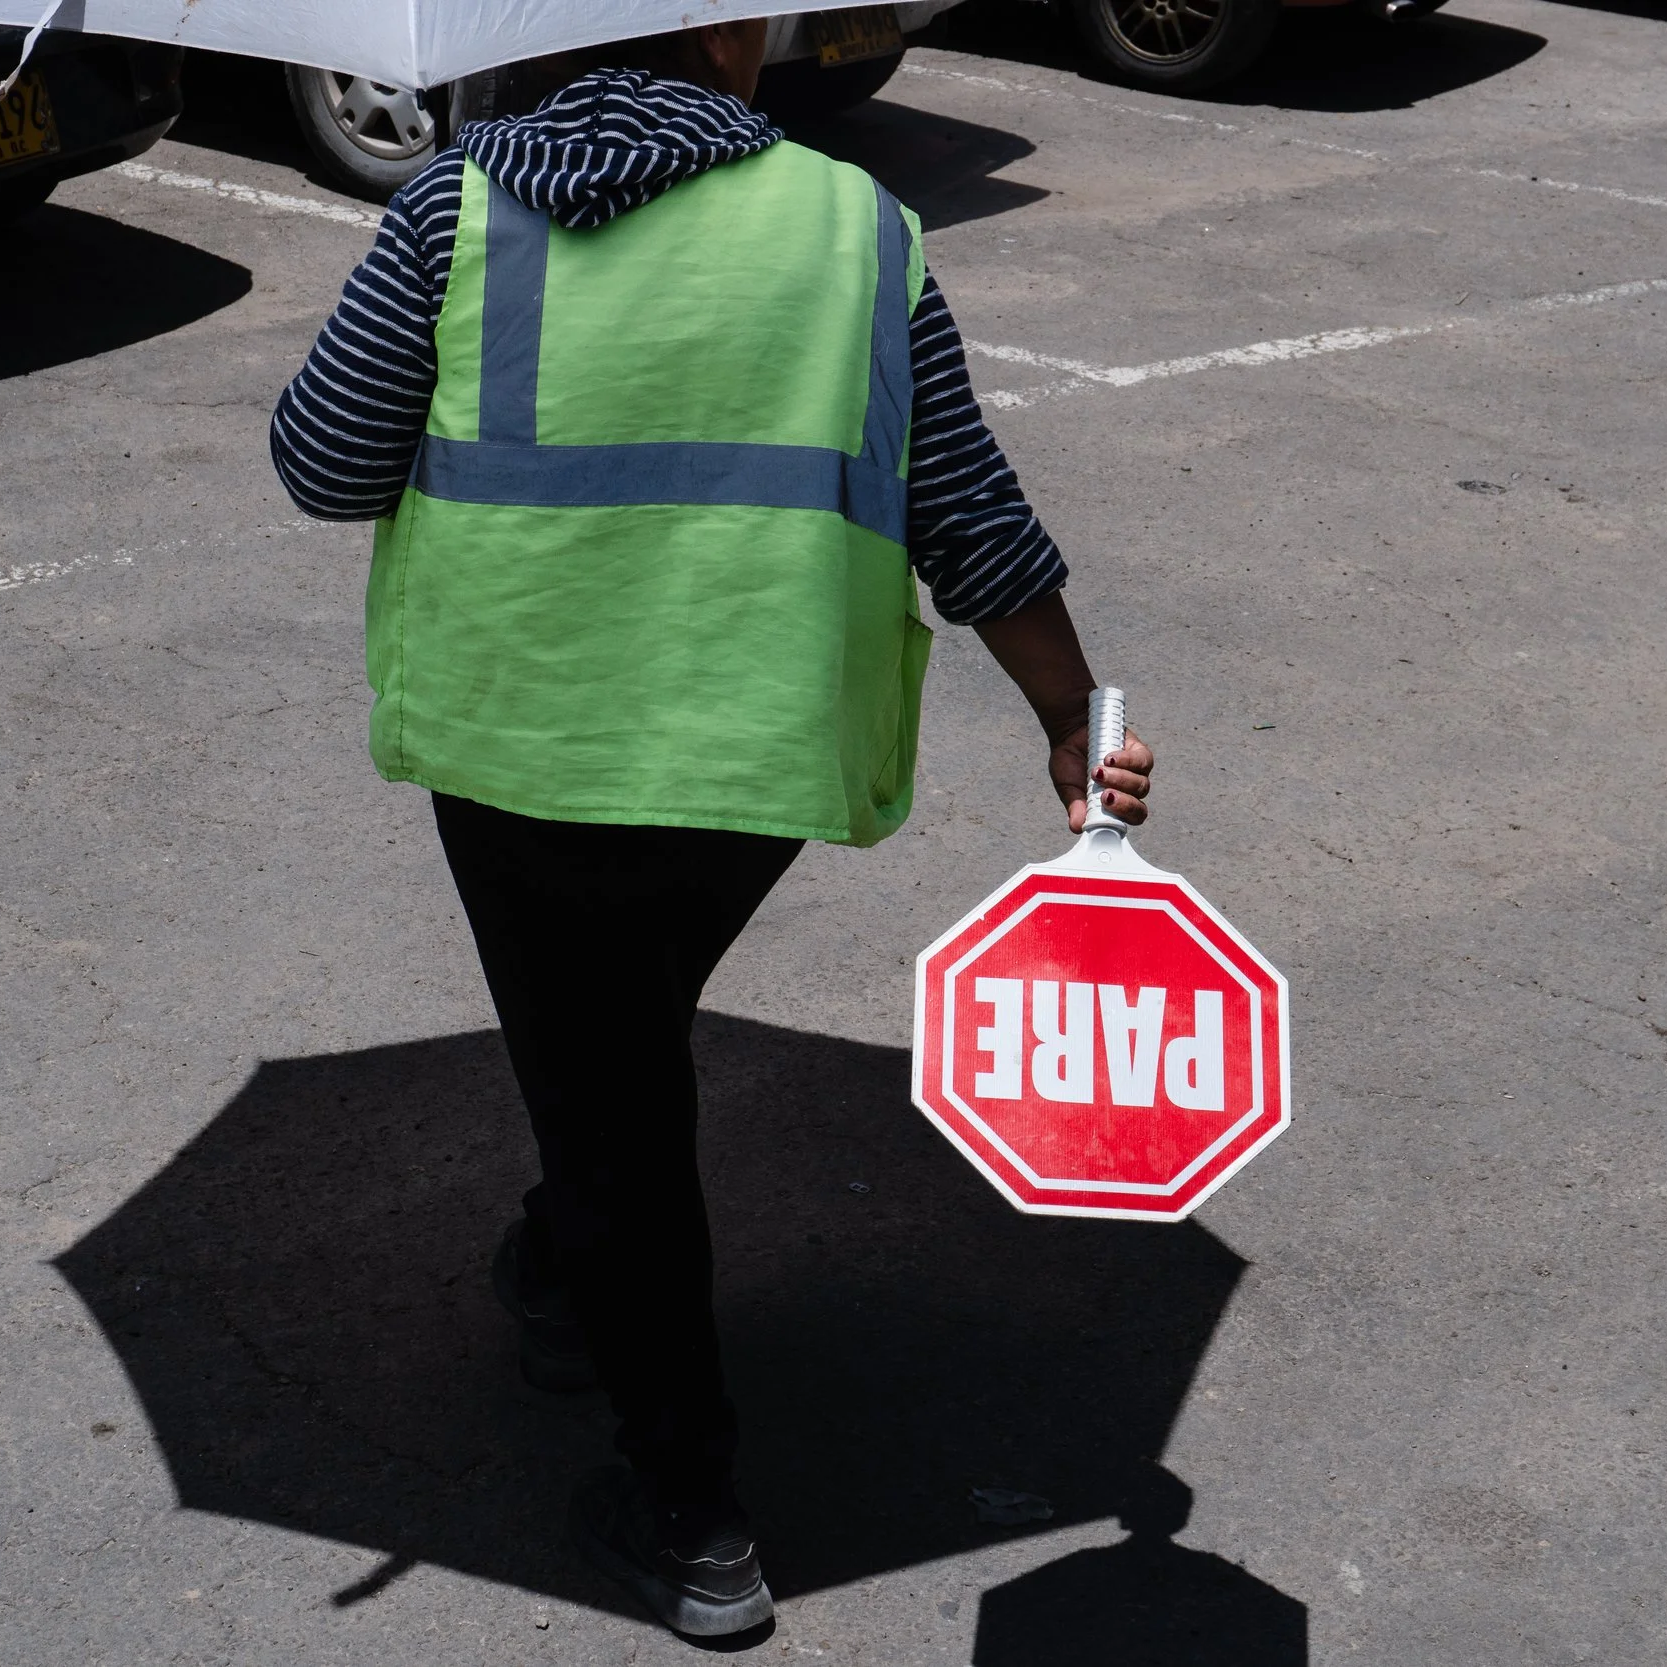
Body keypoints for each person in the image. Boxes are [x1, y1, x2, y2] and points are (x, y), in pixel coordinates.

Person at [269, 19, 1152, 1640]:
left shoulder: (453, 211)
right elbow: (968, 508)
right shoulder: (855, 229)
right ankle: (556, 1259)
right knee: (611, 1043)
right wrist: (1069, 722)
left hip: (520, 741)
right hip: (753, 760)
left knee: (611, 1100)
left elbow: (323, 464)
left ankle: (693, 1516)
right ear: (734, 40)